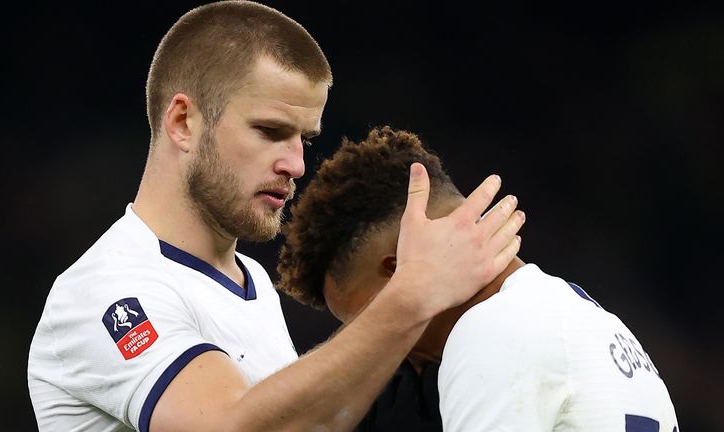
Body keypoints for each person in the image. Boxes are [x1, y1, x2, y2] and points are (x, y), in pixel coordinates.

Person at [27, 2, 526, 431]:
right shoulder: (104, 290)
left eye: (304, 139)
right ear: (183, 122)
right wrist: (414, 293)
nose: (297, 164)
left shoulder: (254, 284)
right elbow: (228, 424)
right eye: (269, 131)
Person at [278, 126, 680, 432]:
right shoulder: (597, 321)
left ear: (400, 265)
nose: (392, 354)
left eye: (370, 318)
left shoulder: (490, 332)